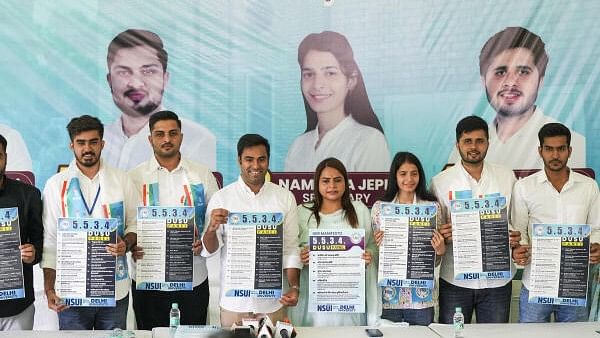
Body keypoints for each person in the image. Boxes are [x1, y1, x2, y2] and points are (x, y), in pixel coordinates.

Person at [40, 115, 136, 330]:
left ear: (102, 144)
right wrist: (48, 288)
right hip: (71, 293)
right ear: (71, 145)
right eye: (81, 143)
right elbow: (50, 240)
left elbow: (135, 225)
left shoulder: (122, 180)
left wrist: (126, 244)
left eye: (93, 142)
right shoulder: (56, 185)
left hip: (114, 290)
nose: (87, 148)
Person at [127, 110, 219, 329]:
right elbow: (127, 225)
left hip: (193, 278)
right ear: (150, 139)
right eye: (159, 134)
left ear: (181, 136)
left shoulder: (202, 175)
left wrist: (203, 243)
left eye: (172, 133)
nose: (167, 139)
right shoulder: (133, 178)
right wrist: (131, 244)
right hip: (148, 279)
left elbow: (213, 226)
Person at [447, 26, 585, 169]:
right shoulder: (465, 147)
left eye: (523, 72)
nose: (511, 82)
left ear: (540, 80)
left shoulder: (575, 143)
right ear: (484, 81)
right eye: (500, 72)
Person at [202, 134, 302, 326]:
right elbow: (210, 249)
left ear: (268, 161)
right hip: (234, 304)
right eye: (249, 159)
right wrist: (211, 229)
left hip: (272, 304)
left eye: (261, 159)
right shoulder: (222, 198)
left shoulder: (284, 197)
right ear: (239, 160)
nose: (256, 166)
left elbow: (290, 248)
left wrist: (294, 286)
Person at [431, 115, 517, 324]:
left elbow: (515, 221)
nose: (474, 147)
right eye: (467, 141)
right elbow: (436, 229)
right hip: (455, 281)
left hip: (497, 280)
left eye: (480, 141)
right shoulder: (441, 182)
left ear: (488, 142)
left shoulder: (506, 176)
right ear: (457, 144)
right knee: (453, 336)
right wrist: (444, 234)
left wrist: (514, 237)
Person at [511, 122, 599, 322]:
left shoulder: (588, 186)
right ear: (540, 151)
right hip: (536, 283)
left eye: (561, 149)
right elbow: (519, 231)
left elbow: (596, 228)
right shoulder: (524, 187)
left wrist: (595, 245)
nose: (555, 155)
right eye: (549, 149)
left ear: (569, 150)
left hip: (574, 284)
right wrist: (520, 249)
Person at [103, 29, 216, 170]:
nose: (136, 83)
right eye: (124, 72)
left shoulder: (197, 139)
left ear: (165, 79)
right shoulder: (96, 140)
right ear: (109, 81)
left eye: (148, 71)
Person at [288, 157, 378, 326]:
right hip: (314, 301)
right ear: (317, 184)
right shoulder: (303, 212)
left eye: (337, 180)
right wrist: (302, 255)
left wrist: (369, 255)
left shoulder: (359, 210)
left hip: (349, 299)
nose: (332, 186)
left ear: (345, 183)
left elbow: (372, 244)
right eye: (326, 181)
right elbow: (291, 249)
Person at [285, 31, 391, 172]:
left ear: (351, 80)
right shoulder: (298, 146)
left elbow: (376, 194)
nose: (317, 84)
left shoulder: (369, 141)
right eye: (309, 74)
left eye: (330, 73)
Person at [371, 152, 445, 325]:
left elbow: (434, 261)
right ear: (394, 176)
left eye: (414, 173)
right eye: (403, 174)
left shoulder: (431, 208)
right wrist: (378, 245)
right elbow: (376, 256)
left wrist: (440, 250)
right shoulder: (380, 208)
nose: (409, 179)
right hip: (390, 296)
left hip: (421, 299)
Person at [0, 134, 43, 330]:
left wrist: (33, 254)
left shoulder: (28, 195)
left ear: (5, 158)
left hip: (18, 307)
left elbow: (39, 244)